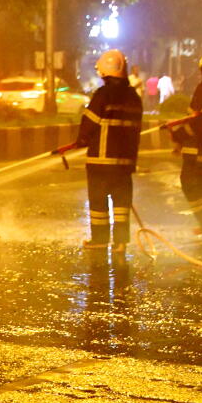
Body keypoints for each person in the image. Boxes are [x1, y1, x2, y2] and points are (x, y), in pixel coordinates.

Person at [74, 49, 143, 254]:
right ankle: (121, 242)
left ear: (104, 71)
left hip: (101, 161)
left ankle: (100, 239)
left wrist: (82, 139)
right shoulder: (134, 97)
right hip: (125, 162)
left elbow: (90, 122)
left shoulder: (103, 94)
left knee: (98, 202)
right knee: (122, 203)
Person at [169, 51, 202, 245]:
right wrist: (181, 139)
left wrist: (180, 135)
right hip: (195, 148)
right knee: (190, 184)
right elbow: (194, 117)